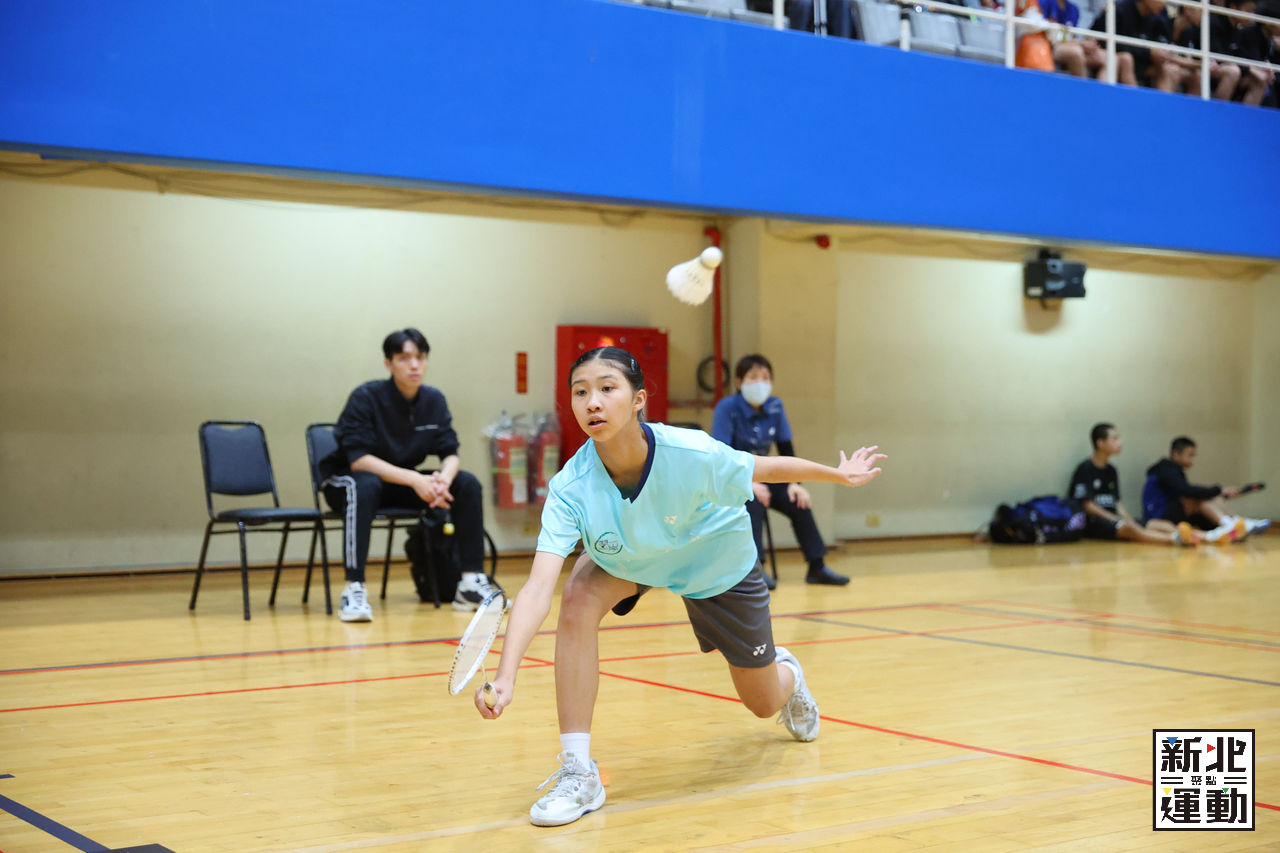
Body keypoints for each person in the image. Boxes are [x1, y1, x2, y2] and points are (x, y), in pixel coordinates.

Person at [475, 346, 886, 827]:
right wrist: (506, 675)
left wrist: (837, 474)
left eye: (607, 388)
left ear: (638, 400)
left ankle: (788, 674)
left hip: (715, 561)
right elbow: (536, 588)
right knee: (578, 594)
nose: (593, 402)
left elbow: (765, 468)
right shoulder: (571, 486)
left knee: (762, 702)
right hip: (637, 557)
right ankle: (579, 771)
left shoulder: (689, 453)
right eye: (580, 392)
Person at [321, 328, 496, 621]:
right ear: (388, 363)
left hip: (399, 483)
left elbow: (450, 452)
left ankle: (470, 583)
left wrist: (443, 481)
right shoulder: (366, 397)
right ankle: (354, 588)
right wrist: (416, 479)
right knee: (365, 485)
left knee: (466, 483)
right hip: (350, 481)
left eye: (420, 357)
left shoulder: (434, 400)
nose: (414, 365)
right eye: (404, 358)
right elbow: (359, 460)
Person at [711, 354, 849, 587]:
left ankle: (817, 566)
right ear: (738, 382)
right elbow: (720, 455)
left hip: (764, 475)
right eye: (753, 377)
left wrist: (795, 484)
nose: (760, 383)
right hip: (733, 479)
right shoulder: (727, 407)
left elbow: (786, 448)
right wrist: (747, 483)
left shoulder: (775, 406)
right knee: (752, 499)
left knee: (799, 501)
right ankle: (755, 569)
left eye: (766, 378)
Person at [1068, 423, 1199, 546]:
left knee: (1159, 524)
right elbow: (1088, 506)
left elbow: (1116, 502)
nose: (1120, 442)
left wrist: (1127, 518)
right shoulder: (1085, 469)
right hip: (1093, 522)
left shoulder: (1111, 470)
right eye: (1114, 438)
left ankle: (1199, 536)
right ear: (1100, 443)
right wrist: (1115, 519)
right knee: (1129, 529)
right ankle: (1174, 539)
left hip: (1114, 518)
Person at [1143, 436, 1267, 539]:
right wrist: (1219, 490)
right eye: (1190, 455)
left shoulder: (1175, 470)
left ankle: (1237, 522)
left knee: (1214, 498)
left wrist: (1219, 494)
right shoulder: (1164, 469)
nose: (1193, 459)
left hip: (1172, 511)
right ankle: (1230, 525)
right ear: (1176, 453)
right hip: (1157, 514)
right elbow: (1186, 491)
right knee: (1196, 498)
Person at [1092, 0, 1195, 92]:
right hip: (1120, 57)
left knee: (1171, 69)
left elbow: (1162, 46)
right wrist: (1149, 52)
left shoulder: (1157, 19)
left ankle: (1161, 106)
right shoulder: (1119, 10)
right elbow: (1104, 42)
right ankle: (1137, 102)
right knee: (1126, 59)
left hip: (1142, 61)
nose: (1164, 4)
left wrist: (1160, 54)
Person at [1041, 0, 1108, 78]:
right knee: (1076, 52)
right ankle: (1082, 86)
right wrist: (1080, 43)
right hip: (1047, 46)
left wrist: (1088, 44)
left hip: (1067, 44)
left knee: (1107, 58)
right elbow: (1047, 34)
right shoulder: (1045, 2)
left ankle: (1102, 86)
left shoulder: (1073, 9)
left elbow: (1069, 36)